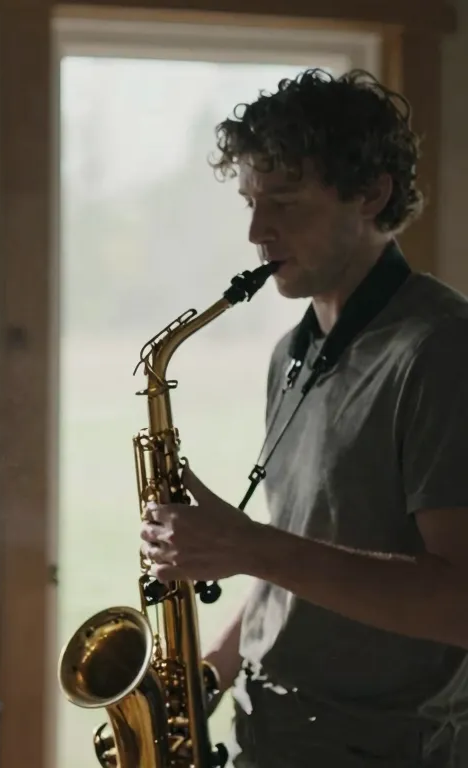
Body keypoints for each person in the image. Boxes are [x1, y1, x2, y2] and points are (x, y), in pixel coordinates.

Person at [139, 68, 468, 767]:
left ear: (370, 194)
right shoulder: (292, 351)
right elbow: (303, 556)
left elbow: (459, 602)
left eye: (284, 201)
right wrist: (211, 673)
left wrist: (248, 545)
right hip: (271, 735)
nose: (257, 231)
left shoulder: (442, 349)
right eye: (251, 201)